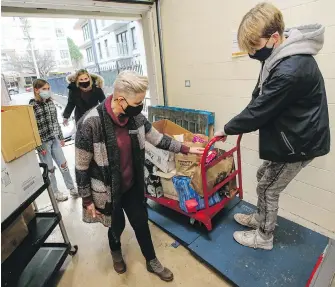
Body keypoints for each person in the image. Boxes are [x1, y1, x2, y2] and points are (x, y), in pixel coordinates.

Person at [215, 2, 330, 250]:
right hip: (291, 132)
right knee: (262, 177)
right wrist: (240, 120)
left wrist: (226, 128)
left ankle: (264, 237)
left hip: (300, 140)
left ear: (274, 37)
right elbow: (259, 97)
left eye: (255, 47)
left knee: (267, 187)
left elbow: (260, 110)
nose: (252, 54)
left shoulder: (290, 69)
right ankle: (260, 218)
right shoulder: (280, 54)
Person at [75, 70, 204, 281]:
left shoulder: (135, 119)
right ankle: (116, 252)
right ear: (120, 99)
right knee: (116, 225)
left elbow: (158, 139)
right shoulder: (91, 123)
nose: (141, 105)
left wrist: (186, 149)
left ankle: (152, 260)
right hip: (108, 191)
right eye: (138, 101)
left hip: (132, 185)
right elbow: (81, 166)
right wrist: (87, 199)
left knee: (141, 222)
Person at [30, 79, 78, 202]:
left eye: (48, 88)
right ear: (36, 90)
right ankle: (56, 192)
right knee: (50, 170)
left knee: (64, 165)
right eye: (44, 89)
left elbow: (55, 122)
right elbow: (31, 128)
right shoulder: (32, 106)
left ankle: (72, 188)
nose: (47, 91)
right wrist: (39, 146)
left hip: (55, 139)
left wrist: (61, 137)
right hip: (43, 143)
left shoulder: (51, 103)